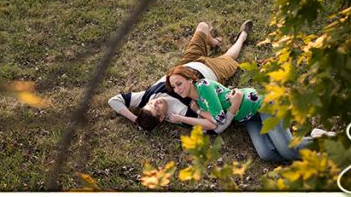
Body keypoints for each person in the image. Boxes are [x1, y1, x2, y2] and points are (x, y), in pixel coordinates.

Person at [164, 65, 335, 162]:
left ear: (190, 79)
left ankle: (326, 140)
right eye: (174, 87)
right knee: (267, 154)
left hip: (262, 105)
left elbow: (219, 122)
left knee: (288, 152)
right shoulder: (197, 100)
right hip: (249, 118)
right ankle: (299, 145)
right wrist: (199, 111)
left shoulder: (203, 86)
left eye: (179, 83)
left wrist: (201, 113)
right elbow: (214, 122)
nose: (177, 89)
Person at [108, 20, 253, 130]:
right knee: (230, 57)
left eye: (150, 104)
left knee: (203, 26)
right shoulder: (180, 112)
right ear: (162, 117)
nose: (155, 102)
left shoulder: (146, 97)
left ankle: (214, 43)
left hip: (185, 65)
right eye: (156, 108)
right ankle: (242, 36)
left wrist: (136, 120)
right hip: (212, 71)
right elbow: (215, 126)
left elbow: (114, 101)